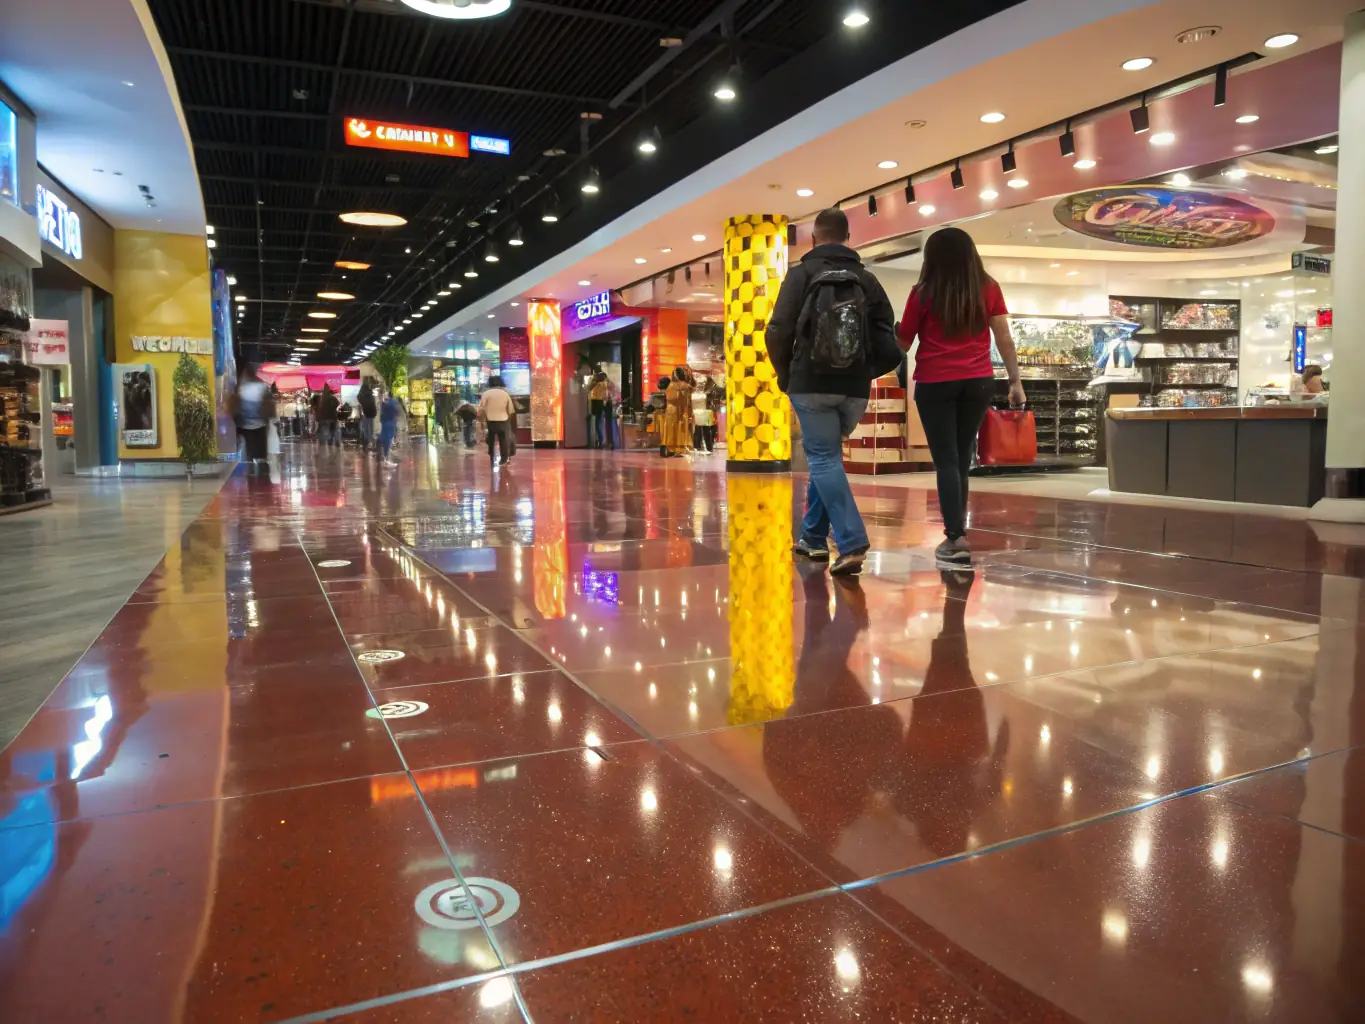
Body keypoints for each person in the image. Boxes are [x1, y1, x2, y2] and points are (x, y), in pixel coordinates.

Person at [768, 207, 901, 577]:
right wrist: (864, 372)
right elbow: (889, 338)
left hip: (810, 383)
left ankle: (851, 541)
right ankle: (811, 537)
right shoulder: (866, 279)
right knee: (829, 460)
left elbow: (777, 330)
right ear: (847, 237)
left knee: (824, 460)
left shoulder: (801, 275)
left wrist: (786, 375)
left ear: (814, 238)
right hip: (854, 388)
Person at [897, 226, 1025, 568]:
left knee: (947, 460)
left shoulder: (922, 293)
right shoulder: (989, 288)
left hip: (935, 381)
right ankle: (958, 533)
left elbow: (904, 342)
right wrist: (1015, 381)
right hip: (979, 381)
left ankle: (955, 538)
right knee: (962, 456)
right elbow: (1004, 339)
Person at [229, 363, 275, 474]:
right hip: (260, 424)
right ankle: (261, 471)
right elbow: (268, 404)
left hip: (244, 424)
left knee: (247, 448)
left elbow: (235, 406)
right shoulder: (262, 386)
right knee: (260, 450)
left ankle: (250, 469)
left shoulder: (241, 387)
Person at [479, 375, 516, 465]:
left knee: (491, 438)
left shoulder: (486, 394)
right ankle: (503, 459)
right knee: (504, 440)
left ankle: (491, 454)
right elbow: (510, 410)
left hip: (490, 420)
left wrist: (482, 420)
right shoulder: (505, 394)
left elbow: (481, 409)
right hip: (503, 420)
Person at [661, 367, 693, 457]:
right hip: (680, 410)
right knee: (679, 429)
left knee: (671, 430)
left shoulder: (671, 385)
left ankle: (672, 448)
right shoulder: (684, 386)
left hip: (671, 410)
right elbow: (685, 400)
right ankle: (679, 448)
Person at [589, 372, 613, 449]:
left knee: (599, 423)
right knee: (605, 424)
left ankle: (603, 441)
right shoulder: (604, 384)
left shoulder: (600, 384)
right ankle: (607, 442)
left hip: (601, 403)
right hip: (603, 403)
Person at [378, 387, 401, 464]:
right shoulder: (392, 402)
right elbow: (396, 412)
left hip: (387, 422)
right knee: (387, 439)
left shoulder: (387, 403)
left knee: (385, 438)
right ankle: (386, 458)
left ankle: (384, 456)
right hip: (389, 422)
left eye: (385, 394)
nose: (384, 396)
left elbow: (385, 412)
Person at [316, 384, 341, 448]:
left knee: (325, 430)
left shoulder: (322, 399)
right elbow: (337, 404)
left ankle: (324, 442)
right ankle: (331, 442)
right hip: (332, 417)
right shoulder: (332, 398)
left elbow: (320, 408)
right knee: (332, 429)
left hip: (324, 418)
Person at [357, 378, 378, 452]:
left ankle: (367, 444)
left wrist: (362, 404)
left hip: (365, 413)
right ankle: (372, 443)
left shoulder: (362, 392)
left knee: (365, 429)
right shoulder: (370, 393)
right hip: (371, 413)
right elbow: (373, 403)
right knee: (370, 429)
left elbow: (358, 397)